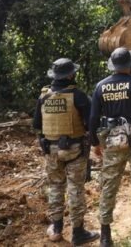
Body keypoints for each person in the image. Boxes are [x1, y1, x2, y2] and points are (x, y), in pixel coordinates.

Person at [89, 47, 131, 247]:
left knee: (108, 186)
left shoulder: (101, 86)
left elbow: (93, 118)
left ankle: (105, 236)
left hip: (112, 141)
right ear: (130, 64)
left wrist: (94, 143)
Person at [33, 58, 100, 246]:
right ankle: (78, 233)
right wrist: (94, 142)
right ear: (70, 75)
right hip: (75, 149)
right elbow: (91, 123)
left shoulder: (44, 96)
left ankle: (56, 229)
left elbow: (37, 124)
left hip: (51, 149)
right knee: (75, 189)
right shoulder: (78, 96)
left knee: (55, 186)